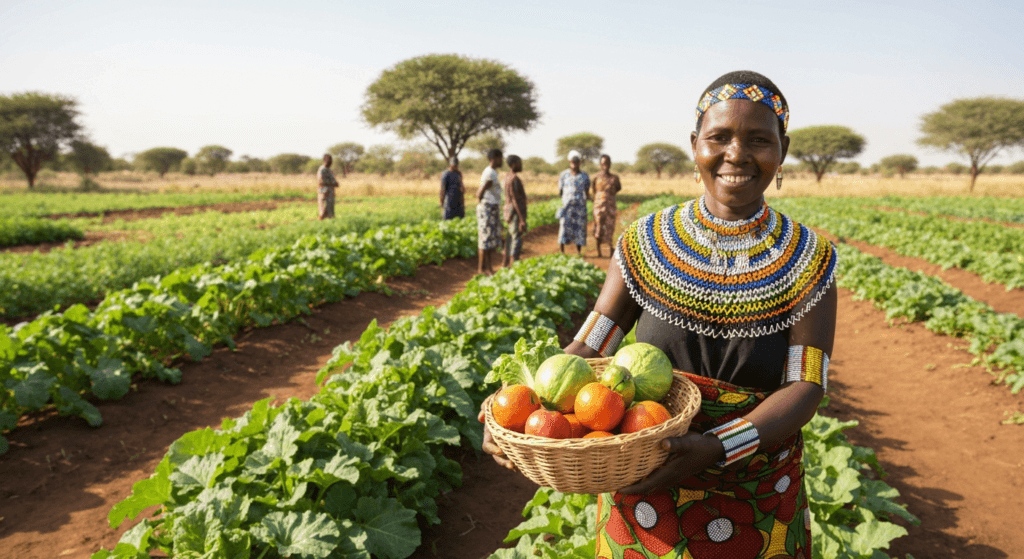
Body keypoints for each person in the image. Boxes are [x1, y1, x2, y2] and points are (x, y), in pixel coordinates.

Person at [480, 71, 837, 558]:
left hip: (755, 484)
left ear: (783, 150)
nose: (736, 154)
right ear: (695, 146)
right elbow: (590, 345)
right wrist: (519, 409)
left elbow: (806, 386)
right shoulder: (644, 243)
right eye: (719, 138)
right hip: (645, 479)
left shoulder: (808, 259)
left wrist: (717, 446)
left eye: (759, 139)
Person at [557, 150, 591, 254]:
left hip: (580, 207)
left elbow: (587, 192)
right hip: (567, 207)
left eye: (576, 161)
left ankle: (578, 252)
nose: (574, 163)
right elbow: (560, 191)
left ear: (580, 162)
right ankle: (562, 252)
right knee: (564, 227)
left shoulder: (584, 176)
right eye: (572, 161)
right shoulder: (564, 175)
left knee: (579, 229)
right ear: (569, 161)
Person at [476, 148, 504, 275]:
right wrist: (483, 206)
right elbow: (480, 193)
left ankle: (488, 268)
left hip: (490, 208)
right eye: (500, 158)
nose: (501, 160)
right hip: (487, 208)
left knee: (489, 240)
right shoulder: (490, 173)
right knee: (485, 239)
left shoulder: (492, 172)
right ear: (494, 159)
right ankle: (482, 270)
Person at [591, 154, 622, 258]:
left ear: (610, 164)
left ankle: (610, 250)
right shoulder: (596, 177)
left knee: (610, 227)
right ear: (600, 164)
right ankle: (599, 251)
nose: (605, 165)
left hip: (610, 206)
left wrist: (609, 196)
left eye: (607, 163)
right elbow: (594, 190)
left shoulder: (614, 178)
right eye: (603, 163)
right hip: (598, 206)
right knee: (598, 227)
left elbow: (618, 188)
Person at [503, 155, 528, 267]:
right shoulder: (514, 179)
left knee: (510, 238)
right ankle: (514, 264)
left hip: (508, 212)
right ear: (513, 164)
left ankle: (506, 264)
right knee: (516, 239)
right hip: (515, 213)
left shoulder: (507, 177)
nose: (521, 165)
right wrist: (522, 219)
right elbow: (515, 201)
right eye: (519, 162)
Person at [316, 154, 339, 220]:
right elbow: (320, 182)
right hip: (324, 193)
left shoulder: (329, 170)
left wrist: (335, 183)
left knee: (330, 213)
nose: (330, 163)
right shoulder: (322, 170)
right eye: (328, 161)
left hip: (330, 193)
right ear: (325, 161)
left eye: (330, 161)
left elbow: (333, 181)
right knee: (323, 212)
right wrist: (332, 184)